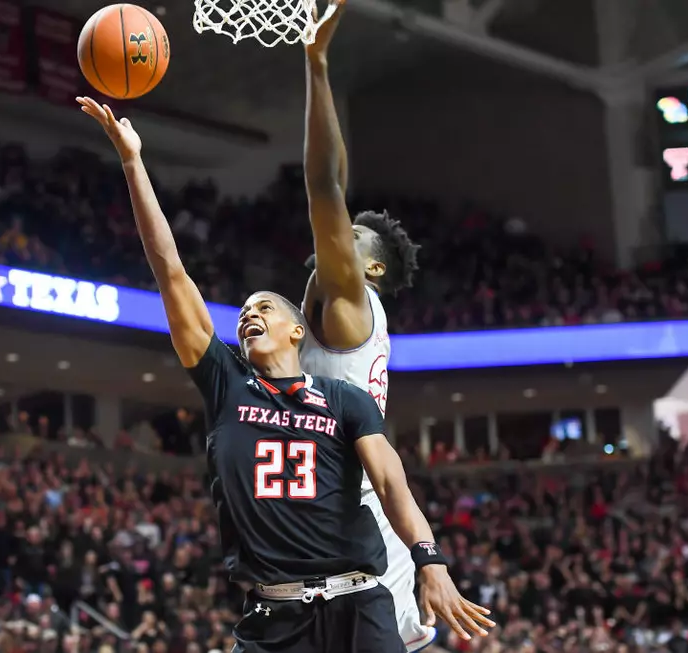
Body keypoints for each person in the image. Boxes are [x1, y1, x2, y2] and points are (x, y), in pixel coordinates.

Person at [76, 96, 490, 652]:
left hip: (356, 600)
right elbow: (170, 270)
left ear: (300, 330)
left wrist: (431, 560)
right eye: (245, 309)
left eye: (266, 306)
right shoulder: (225, 382)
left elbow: (392, 480)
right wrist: (133, 163)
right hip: (275, 612)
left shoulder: (343, 391)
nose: (251, 312)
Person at [300, 2, 489, 651]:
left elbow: (325, 183)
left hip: (353, 518)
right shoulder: (347, 310)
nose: (333, 237)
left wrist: (317, 68)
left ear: (372, 266)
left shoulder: (349, 304)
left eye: (350, 237)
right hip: (346, 510)